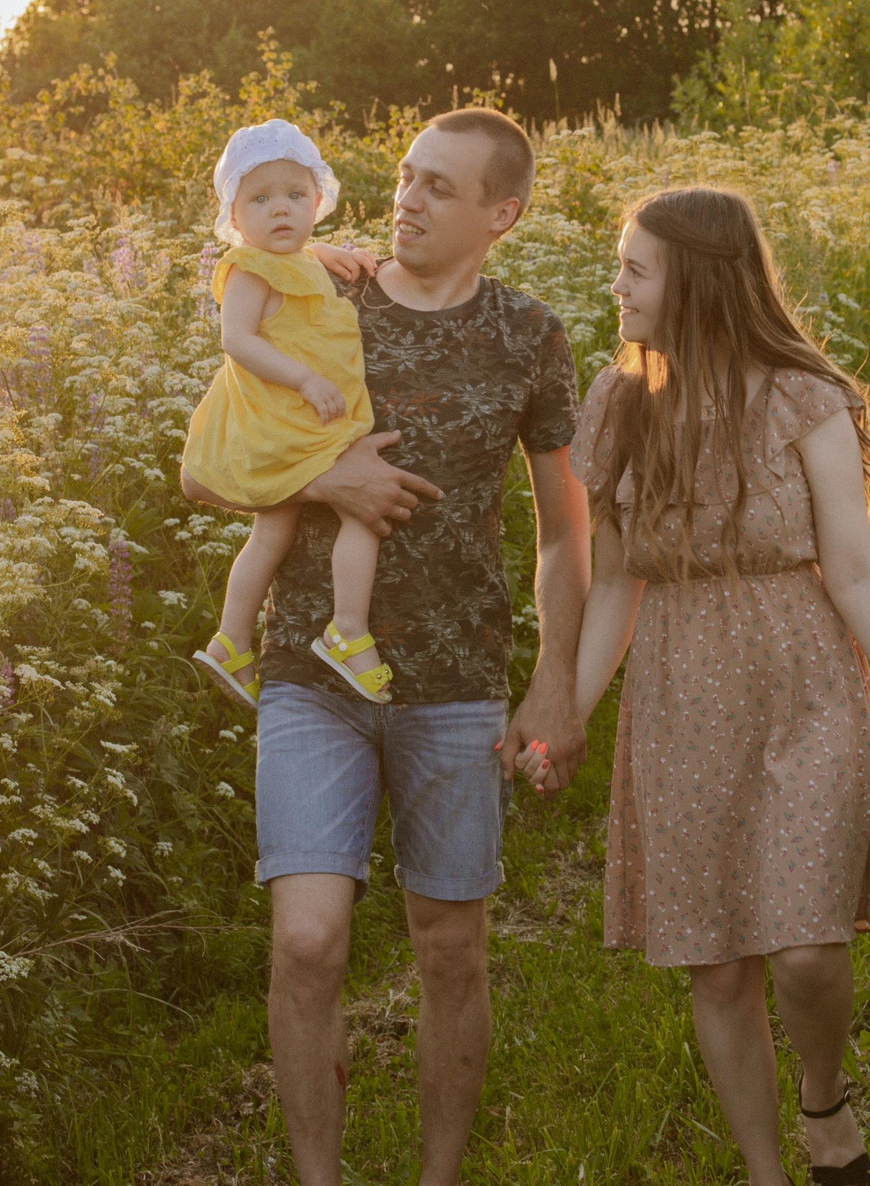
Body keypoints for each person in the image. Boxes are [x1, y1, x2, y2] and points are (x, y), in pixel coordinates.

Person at [180, 107, 591, 1186]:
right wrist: (324, 479)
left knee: (449, 947)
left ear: (501, 213)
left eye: (440, 188)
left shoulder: (529, 335)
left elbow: (565, 530)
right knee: (308, 940)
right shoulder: (319, 286)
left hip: (457, 678)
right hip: (312, 676)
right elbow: (201, 471)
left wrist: (555, 684)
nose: (406, 199)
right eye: (406, 177)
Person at [531, 186, 870, 1186]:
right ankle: (767, 1169)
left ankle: (824, 1105)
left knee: (804, 948)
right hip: (679, 687)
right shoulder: (620, 402)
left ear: (697, 282)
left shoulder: (803, 395)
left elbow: (852, 566)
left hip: (801, 677)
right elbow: (617, 579)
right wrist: (565, 717)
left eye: (634, 268)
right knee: (715, 959)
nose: (614, 284)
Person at [182, 119, 393, 708]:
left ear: (318, 201)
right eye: (261, 198)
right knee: (363, 511)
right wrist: (303, 377)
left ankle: (231, 642)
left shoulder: (297, 256)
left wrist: (335, 251)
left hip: (297, 416)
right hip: (284, 417)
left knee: (273, 529)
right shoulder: (248, 269)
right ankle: (347, 630)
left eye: (296, 196)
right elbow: (237, 340)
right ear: (235, 215)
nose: (281, 210)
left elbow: (299, 256)